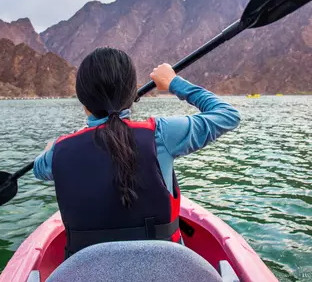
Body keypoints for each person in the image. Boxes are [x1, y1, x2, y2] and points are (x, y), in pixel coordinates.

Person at [33, 47, 240, 258]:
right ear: (132, 95)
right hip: (163, 267)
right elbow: (227, 115)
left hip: (86, 270)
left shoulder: (59, 151)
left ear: (83, 101)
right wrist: (173, 83)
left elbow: (39, 169)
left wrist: (54, 146)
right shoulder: (162, 134)